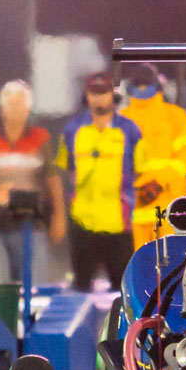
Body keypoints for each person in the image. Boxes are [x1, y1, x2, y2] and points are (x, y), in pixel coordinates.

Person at [0, 80, 66, 285]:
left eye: (19, 104)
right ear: (2, 109)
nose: (15, 109)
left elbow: (52, 180)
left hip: (32, 225)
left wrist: (59, 216)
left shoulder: (40, 138)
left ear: (27, 109)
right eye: (10, 104)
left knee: (34, 287)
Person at [56, 71, 141, 291]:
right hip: (82, 221)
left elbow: (141, 170)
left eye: (103, 93)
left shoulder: (130, 130)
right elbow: (66, 169)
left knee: (122, 290)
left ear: (113, 95)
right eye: (94, 93)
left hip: (118, 222)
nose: (99, 98)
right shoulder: (72, 130)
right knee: (81, 289)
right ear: (87, 96)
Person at [120, 63, 186, 248]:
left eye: (146, 83)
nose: (143, 88)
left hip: (169, 207)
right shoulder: (122, 119)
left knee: (172, 261)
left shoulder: (176, 116)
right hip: (135, 210)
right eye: (139, 84)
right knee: (137, 263)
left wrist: (159, 182)